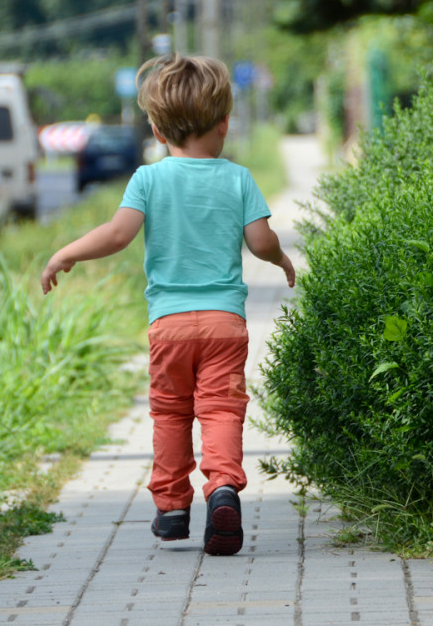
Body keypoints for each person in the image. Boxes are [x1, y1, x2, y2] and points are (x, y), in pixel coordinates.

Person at [40, 53, 295, 556]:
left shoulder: (148, 180)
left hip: (169, 326)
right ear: (224, 124)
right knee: (222, 408)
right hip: (225, 324)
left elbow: (117, 235)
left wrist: (66, 253)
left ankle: (173, 508)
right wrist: (283, 261)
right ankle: (222, 489)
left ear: (157, 131)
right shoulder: (238, 178)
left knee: (171, 412)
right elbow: (260, 240)